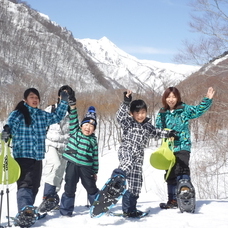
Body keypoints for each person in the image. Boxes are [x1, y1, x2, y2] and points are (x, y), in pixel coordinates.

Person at [109, 90, 177, 218]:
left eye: (143, 112)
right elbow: (120, 116)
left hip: (139, 157)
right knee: (127, 163)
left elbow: (157, 132)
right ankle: (116, 179)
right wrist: (126, 102)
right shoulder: (128, 123)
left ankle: (130, 210)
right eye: (138, 113)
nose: (141, 115)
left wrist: (169, 133)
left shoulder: (147, 127)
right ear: (132, 113)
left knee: (136, 184)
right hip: (127, 150)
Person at [1, 87, 69, 213]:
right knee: (25, 184)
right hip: (23, 155)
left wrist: (63, 102)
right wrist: (6, 132)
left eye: (37, 97)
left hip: (37, 156)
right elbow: (9, 125)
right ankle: (24, 210)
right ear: (25, 100)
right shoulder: (18, 114)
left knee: (35, 186)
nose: (35, 99)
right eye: (31, 97)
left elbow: (57, 116)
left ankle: (28, 211)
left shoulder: (41, 115)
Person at [155, 86, 215, 209]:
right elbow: (157, 129)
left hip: (183, 144)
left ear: (178, 98)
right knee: (170, 173)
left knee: (181, 169)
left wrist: (207, 99)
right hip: (168, 148)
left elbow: (198, 110)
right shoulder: (162, 112)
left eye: (173, 96)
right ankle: (172, 201)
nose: (171, 99)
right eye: (168, 97)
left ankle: (186, 196)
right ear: (164, 98)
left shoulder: (184, 109)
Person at [39, 85, 76, 212]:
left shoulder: (72, 112)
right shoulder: (51, 109)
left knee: (59, 172)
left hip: (66, 146)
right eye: (63, 94)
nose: (65, 96)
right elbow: (41, 125)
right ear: (59, 96)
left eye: (68, 94)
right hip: (51, 144)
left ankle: (52, 199)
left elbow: (75, 130)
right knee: (54, 165)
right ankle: (46, 197)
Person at [59, 101, 99, 217]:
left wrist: (95, 171)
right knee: (69, 187)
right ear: (81, 125)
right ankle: (66, 211)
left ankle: (97, 207)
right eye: (86, 125)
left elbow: (95, 157)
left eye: (91, 126)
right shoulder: (75, 131)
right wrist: (73, 107)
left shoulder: (93, 141)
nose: (88, 128)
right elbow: (73, 118)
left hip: (86, 167)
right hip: (72, 165)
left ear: (94, 129)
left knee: (91, 187)